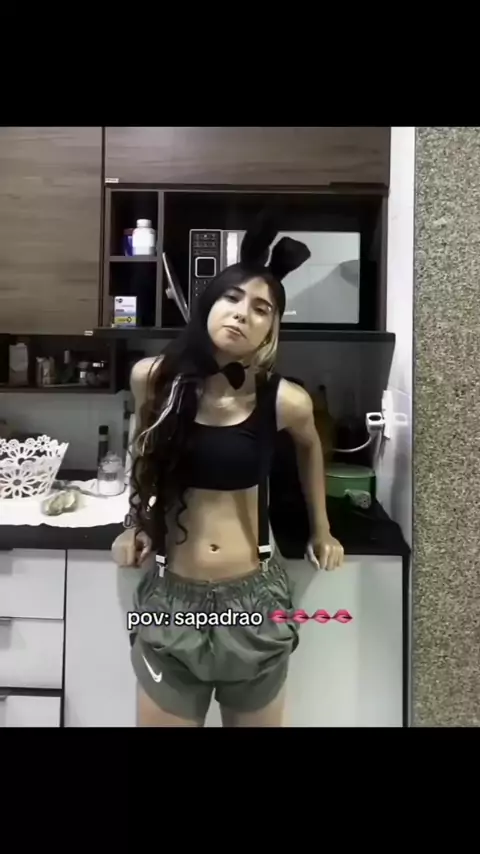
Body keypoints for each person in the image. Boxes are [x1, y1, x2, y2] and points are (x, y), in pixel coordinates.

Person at [111, 212, 344, 727]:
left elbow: (311, 448)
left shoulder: (286, 400)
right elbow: (142, 447)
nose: (242, 314)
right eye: (232, 298)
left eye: (261, 308)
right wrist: (133, 523)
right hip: (170, 600)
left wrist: (322, 530)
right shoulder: (154, 379)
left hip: (254, 601)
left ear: (271, 328)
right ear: (208, 305)